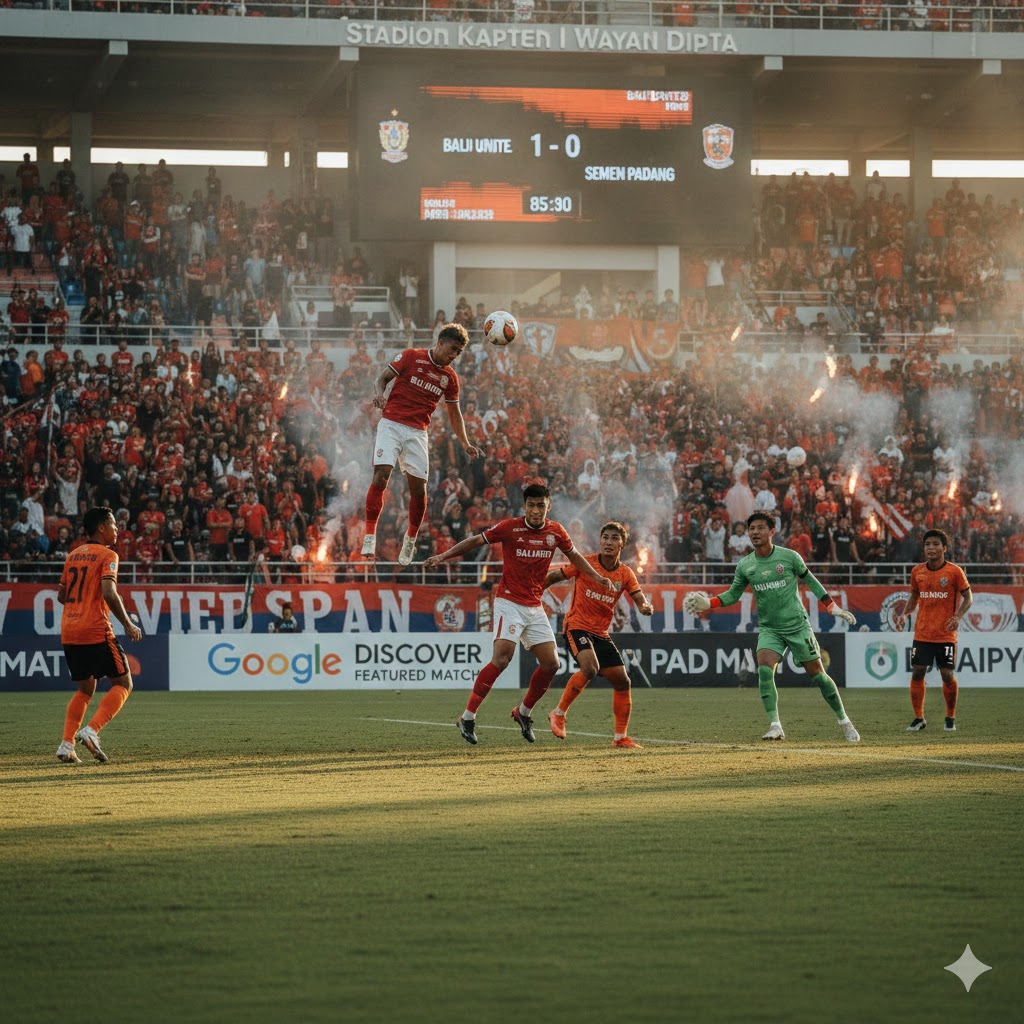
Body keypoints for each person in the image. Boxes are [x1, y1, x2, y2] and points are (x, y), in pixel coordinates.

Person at [423, 483, 613, 745]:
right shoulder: (510, 527)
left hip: (534, 606)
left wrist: (597, 577)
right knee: (502, 659)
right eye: (532, 505)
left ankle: (523, 712)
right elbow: (476, 541)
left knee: (552, 664)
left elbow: (576, 557)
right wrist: (443, 556)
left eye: (541, 505)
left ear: (549, 506)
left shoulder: (556, 531)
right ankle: (467, 716)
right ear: (525, 507)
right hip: (508, 601)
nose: (536, 511)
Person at [684, 511, 861, 743]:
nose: (755, 532)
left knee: (818, 675)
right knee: (765, 670)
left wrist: (831, 606)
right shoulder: (746, 565)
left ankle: (844, 721)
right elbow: (733, 595)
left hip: (798, 626)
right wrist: (709, 603)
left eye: (760, 528)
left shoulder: (789, 557)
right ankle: (775, 725)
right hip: (770, 629)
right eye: (751, 529)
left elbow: (810, 580)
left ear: (772, 531)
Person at [362, 322, 480, 566]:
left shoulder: (450, 378)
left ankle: (411, 538)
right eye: (453, 348)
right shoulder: (410, 356)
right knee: (381, 476)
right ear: (440, 342)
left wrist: (465, 443)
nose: (454, 355)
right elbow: (381, 379)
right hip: (391, 424)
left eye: (459, 352)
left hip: (418, 433)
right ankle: (370, 534)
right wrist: (379, 393)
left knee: (418, 490)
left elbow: (455, 413)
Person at [543, 521, 654, 749]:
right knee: (590, 668)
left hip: (600, 632)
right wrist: (533, 590)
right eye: (605, 537)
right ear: (600, 540)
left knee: (623, 681)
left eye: (614, 538)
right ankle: (559, 713)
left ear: (622, 544)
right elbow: (555, 576)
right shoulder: (586, 563)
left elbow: (639, 598)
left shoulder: (625, 573)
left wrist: (645, 607)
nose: (608, 542)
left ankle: (620, 738)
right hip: (576, 625)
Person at [55, 505, 142, 764]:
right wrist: (127, 624)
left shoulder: (73, 555)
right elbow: (108, 592)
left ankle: (66, 744)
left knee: (85, 689)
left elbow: (62, 595)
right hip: (95, 629)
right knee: (124, 684)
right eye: (113, 525)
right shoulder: (108, 555)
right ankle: (91, 731)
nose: (117, 530)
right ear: (101, 528)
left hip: (69, 631)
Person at [893, 529, 972, 733]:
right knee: (918, 671)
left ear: (944, 548)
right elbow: (914, 597)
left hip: (945, 634)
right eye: (928, 544)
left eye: (936, 544)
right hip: (923, 634)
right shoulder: (917, 572)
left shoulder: (954, 572)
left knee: (946, 674)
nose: (931, 548)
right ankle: (919, 718)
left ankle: (950, 717)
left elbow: (968, 597)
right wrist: (905, 615)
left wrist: (958, 616)